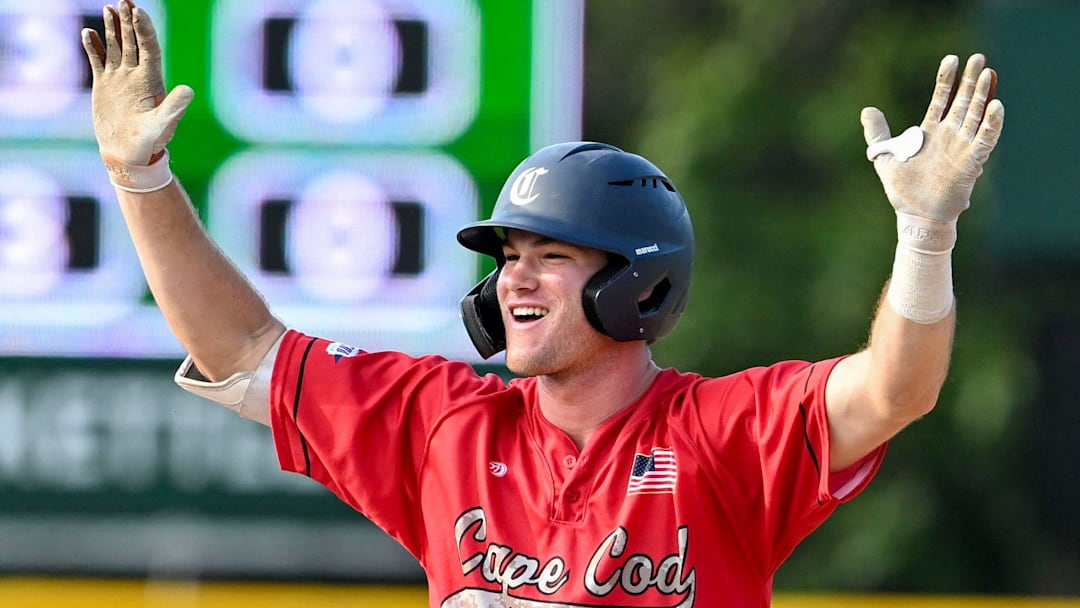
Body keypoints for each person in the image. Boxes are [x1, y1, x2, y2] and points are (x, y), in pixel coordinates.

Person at [81, 2, 1004, 607]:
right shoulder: (445, 427)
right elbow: (244, 346)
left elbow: (896, 390)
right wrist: (139, 176)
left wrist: (926, 236)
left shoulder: (719, 436)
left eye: (551, 256)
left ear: (635, 282)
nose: (513, 279)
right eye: (508, 257)